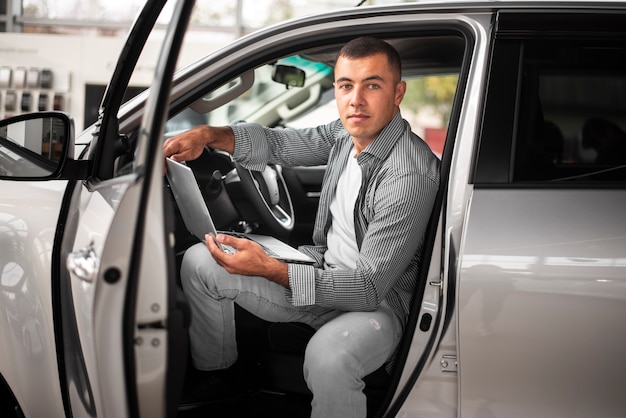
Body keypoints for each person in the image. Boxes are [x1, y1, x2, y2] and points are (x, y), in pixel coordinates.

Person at [163, 36, 440, 418]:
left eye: (372, 85)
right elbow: (280, 144)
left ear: (398, 93)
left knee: (327, 357)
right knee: (201, 260)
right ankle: (221, 377)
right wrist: (209, 135)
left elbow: (367, 289)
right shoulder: (346, 136)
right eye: (346, 85)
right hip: (323, 271)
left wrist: (271, 269)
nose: (356, 99)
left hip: (379, 306)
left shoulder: (408, 173)